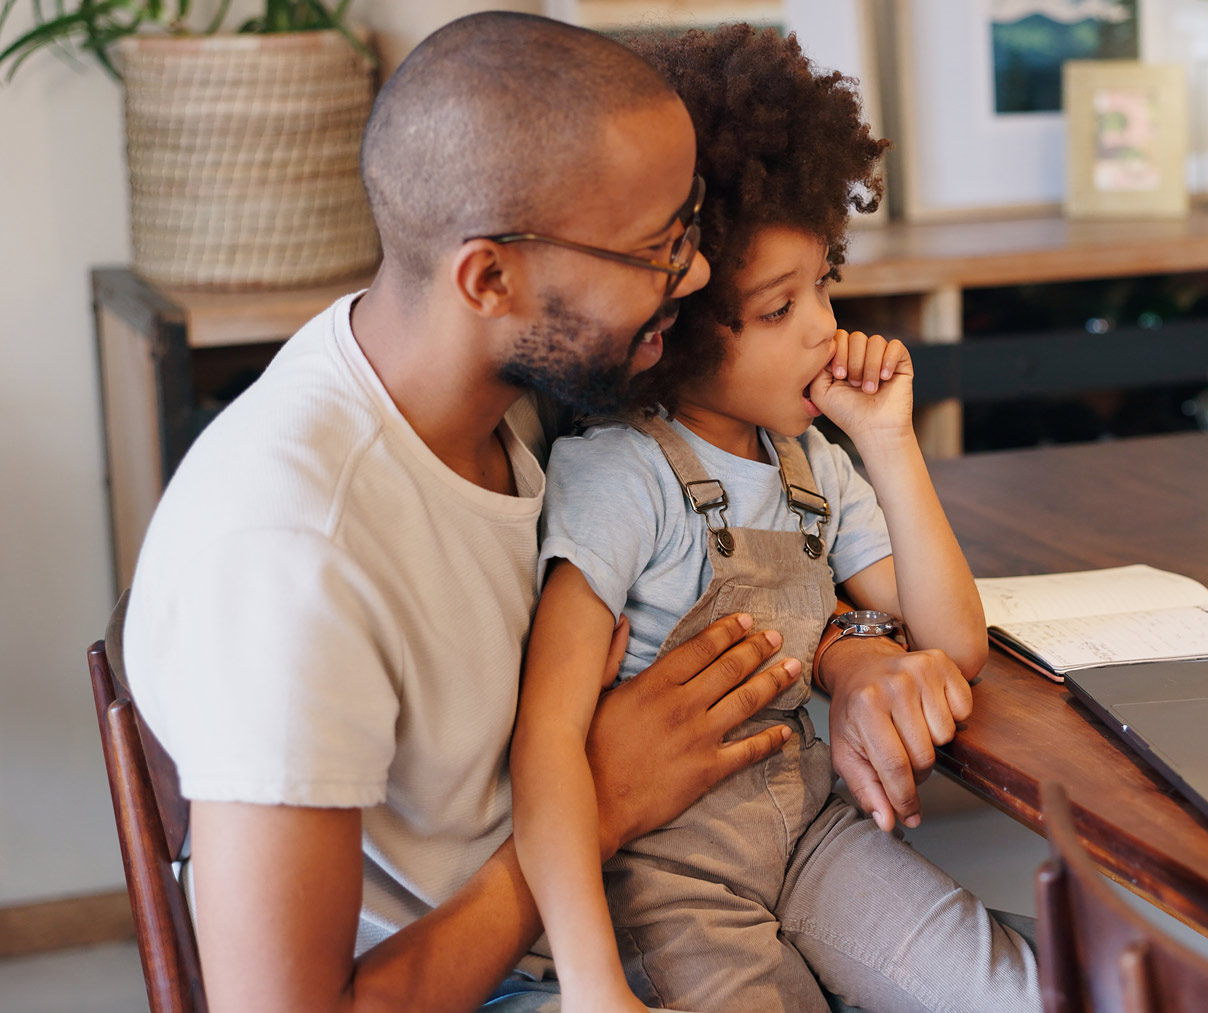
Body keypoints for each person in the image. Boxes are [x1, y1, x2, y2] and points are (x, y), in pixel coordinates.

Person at [121, 13, 949, 1012]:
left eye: (686, 229)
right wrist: (598, 802)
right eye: (657, 247)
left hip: (651, 897)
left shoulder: (500, 383)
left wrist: (852, 641)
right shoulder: (293, 553)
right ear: (489, 277)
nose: (690, 277)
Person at [510, 25, 1038, 1013]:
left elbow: (954, 640)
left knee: (1025, 987)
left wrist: (890, 441)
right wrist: (592, 983)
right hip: (671, 884)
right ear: (674, 329)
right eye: (778, 307)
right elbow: (545, 742)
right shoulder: (619, 475)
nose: (825, 329)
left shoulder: (814, 464)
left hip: (810, 838)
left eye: (825, 285)